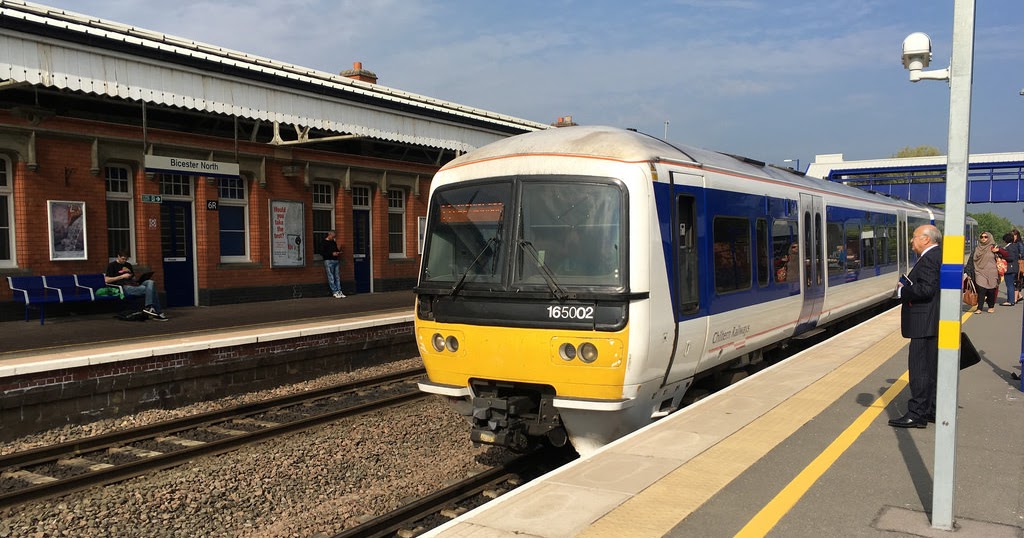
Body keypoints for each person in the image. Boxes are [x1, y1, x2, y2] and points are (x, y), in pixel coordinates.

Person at [890, 224, 941, 428]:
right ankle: (931, 409)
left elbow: (926, 289)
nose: (911, 240)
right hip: (931, 321)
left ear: (926, 239)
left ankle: (917, 413)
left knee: (920, 370)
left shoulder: (929, 258)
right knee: (930, 369)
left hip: (924, 323)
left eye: (914, 236)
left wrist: (903, 291)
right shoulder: (937, 255)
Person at [104, 249, 168, 321]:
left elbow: (133, 279)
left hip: (133, 284)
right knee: (151, 290)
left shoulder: (128, 265)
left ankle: (150, 308)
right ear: (118, 257)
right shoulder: (112, 265)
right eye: (122, 259)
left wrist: (130, 273)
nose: (124, 261)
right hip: (123, 287)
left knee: (151, 282)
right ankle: (155, 311)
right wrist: (122, 276)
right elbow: (107, 280)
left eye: (126, 259)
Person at [971, 232, 1001, 314]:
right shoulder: (977, 248)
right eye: (981, 237)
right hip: (979, 271)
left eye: (986, 237)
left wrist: (998, 251)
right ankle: (979, 308)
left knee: (991, 290)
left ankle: (991, 306)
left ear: (989, 238)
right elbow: (971, 259)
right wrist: (968, 271)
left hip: (992, 272)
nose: (983, 238)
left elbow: (1006, 255)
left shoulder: (994, 247)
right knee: (981, 289)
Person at [320, 230, 345, 298]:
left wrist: (338, 251)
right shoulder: (324, 242)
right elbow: (322, 252)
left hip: (335, 260)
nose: (333, 238)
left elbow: (336, 250)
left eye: (334, 237)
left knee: (337, 276)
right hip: (328, 260)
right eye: (333, 236)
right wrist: (331, 254)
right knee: (331, 277)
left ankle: (339, 291)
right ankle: (334, 291)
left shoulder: (333, 242)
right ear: (329, 234)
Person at [999, 232, 1019, 306]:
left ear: (1005, 240)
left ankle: (1010, 301)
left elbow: (1011, 258)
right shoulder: (1014, 246)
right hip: (1014, 268)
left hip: (1010, 268)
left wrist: (1002, 257)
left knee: (1009, 285)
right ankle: (1011, 300)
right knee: (1011, 285)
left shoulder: (1009, 248)